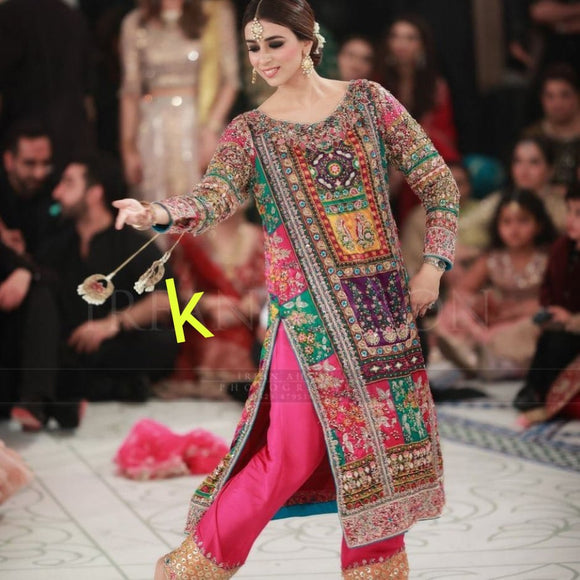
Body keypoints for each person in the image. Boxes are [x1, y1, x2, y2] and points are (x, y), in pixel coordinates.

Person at [114, 0, 460, 577]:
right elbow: (213, 198)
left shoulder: (369, 101)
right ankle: (190, 567)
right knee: (290, 452)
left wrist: (433, 266)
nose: (263, 58)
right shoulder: (250, 131)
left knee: (382, 449)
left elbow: (439, 184)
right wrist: (158, 211)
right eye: (253, 47)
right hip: (305, 318)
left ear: (308, 40)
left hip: (379, 308)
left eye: (274, 43)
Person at [10, 154, 179, 431]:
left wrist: (112, 324)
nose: (57, 192)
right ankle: (108, 388)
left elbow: (167, 300)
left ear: (94, 193)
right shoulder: (56, 246)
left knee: (163, 342)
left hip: (115, 343)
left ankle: (76, 390)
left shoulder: (132, 243)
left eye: (68, 183)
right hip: (69, 347)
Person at [119, 0, 240, 203]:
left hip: (199, 125)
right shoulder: (136, 22)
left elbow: (230, 81)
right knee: (158, 206)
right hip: (153, 130)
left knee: (206, 204)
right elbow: (130, 91)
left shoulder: (214, 15)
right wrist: (128, 148)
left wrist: (211, 129)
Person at [435, 189, 557, 380]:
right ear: (497, 225)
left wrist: (519, 311)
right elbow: (461, 291)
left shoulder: (549, 258)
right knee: (452, 310)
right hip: (496, 320)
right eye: (506, 222)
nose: (514, 229)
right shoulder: (493, 258)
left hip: (528, 319)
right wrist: (479, 305)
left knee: (539, 325)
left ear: (539, 225)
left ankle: (488, 361)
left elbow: (559, 298)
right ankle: (481, 358)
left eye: (523, 221)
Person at [159, 203, 267, 400]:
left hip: (249, 324)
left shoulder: (264, 239)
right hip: (197, 321)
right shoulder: (185, 239)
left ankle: (242, 386)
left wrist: (255, 301)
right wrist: (205, 304)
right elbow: (172, 297)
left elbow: (271, 287)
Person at [376, 14, 460, 228]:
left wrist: (407, 158)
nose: (401, 44)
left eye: (410, 38)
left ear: (422, 45)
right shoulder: (376, 84)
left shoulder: (436, 87)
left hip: (422, 160)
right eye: (396, 36)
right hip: (384, 161)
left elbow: (443, 134)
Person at [0, 0, 95, 172]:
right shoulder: (73, 17)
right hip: (69, 131)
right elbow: (86, 84)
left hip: (23, 133)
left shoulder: (8, 14)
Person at [514, 182, 580, 426]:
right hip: (559, 326)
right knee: (547, 339)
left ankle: (548, 400)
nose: (570, 220)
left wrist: (571, 319)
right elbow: (547, 287)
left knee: (558, 342)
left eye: (578, 214)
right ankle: (537, 392)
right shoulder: (561, 248)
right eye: (569, 211)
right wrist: (551, 309)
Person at [523, 63, 580, 188]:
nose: (557, 104)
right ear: (542, 100)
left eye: (564, 95)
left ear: (577, 96)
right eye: (550, 96)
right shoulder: (532, 136)